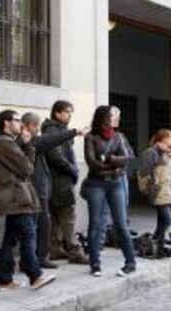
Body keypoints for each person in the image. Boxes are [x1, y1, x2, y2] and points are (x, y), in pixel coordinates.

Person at [0, 110, 55, 290]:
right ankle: (35, 276)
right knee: (29, 236)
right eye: (17, 120)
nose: (21, 124)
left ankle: (5, 279)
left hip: (13, 198)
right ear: (6, 124)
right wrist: (29, 145)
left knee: (10, 240)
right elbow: (27, 169)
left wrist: (23, 145)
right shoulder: (5, 144)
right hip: (16, 199)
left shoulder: (3, 143)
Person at [20, 112, 84, 269]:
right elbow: (51, 140)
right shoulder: (30, 141)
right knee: (40, 226)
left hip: (39, 189)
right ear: (27, 126)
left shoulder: (29, 141)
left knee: (36, 226)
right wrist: (74, 132)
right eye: (35, 126)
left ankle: (33, 259)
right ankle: (39, 259)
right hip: (36, 190)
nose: (38, 129)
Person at [83, 105, 136, 277]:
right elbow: (92, 163)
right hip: (95, 184)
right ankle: (95, 263)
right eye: (110, 117)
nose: (113, 120)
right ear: (102, 119)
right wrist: (114, 166)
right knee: (96, 225)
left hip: (115, 184)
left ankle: (130, 262)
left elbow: (127, 159)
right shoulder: (90, 137)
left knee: (121, 224)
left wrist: (108, 158)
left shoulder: (118, 137)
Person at [41, 101, 88, 264]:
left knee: (56, 216)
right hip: (59, 180)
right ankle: (75, 251)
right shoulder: (53, 130)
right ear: (57, 113)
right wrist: (72, 169)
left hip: (59, 179)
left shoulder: (58, 129)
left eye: (70, 112)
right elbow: (55, 156)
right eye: (67, 112)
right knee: (68, 216)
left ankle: (56, 249)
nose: (69, 115)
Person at [99, 106, 135, 247]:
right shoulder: (95, 136)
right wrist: (116, 159)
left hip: (120, 175)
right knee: (103, 210)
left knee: (122, 207)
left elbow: (130, 155)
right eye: (115, 116)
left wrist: (111, 159)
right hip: (105, 177)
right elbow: (97, 159)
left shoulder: (120, 136)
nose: (118, 119)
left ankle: (119, 239)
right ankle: (100, 241)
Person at [139, 129, 171, 243]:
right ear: (160, 141)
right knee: (168, 220)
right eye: (169, 143)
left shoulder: (167, 155)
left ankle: (158, 240)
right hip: (158, 192)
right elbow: (144, 173)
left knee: (162, 220)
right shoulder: (151, 153)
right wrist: (150, 189)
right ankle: (157, 238)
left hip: (168, 192)